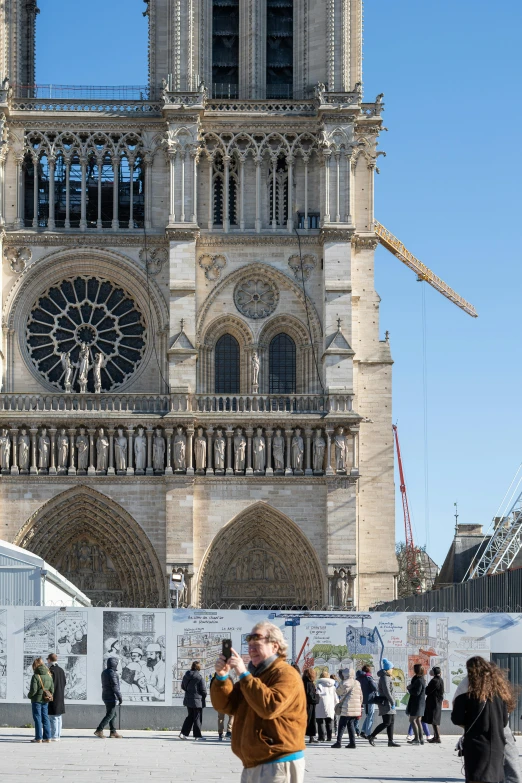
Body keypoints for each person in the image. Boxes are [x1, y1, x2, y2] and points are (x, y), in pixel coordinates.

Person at [210, 621, 307, 783]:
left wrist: (243, 673)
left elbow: (269, 707)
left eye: (257, 644)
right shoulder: (256, 675)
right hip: (255, 763)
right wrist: (221, 677)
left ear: (275, 646)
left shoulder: (285, 674)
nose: (251, 649)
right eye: (249, 645)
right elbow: (226, 705)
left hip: (277, 762)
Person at [452, 657, 516, 783]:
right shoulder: (499, 694)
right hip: (497, 745)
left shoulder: (467, 694)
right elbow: (504, 721)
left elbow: (456, 718)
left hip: (476, 745)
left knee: (477, 778)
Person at [368, 658, 400, 747]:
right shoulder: (385, 678)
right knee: (387, 722)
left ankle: (390, 741)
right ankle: (372, 736)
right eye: (392, 668)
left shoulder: (387, 677)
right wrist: (392, 702)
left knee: (391, 722)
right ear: (388, 669)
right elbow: (386, 691)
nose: (393, 670)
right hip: (386, 703)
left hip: (389, 702)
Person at [331, 667, 363, 749]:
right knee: (350, 724)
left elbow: (338, 692)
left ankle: (338, 742)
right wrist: (359, 704)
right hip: (356, 707)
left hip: (347, 707)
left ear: (344, 674)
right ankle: (352, 743)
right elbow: (361, 696)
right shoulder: (357, 683)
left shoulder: (344, 683)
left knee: (342, 725)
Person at [27, 657, 54, 743]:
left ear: (35, 666)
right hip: (45, 700)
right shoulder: (49, 675)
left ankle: (38, 737)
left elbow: (33, 690)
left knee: (37, 718)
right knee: (45, 717)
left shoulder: (36, 676)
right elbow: (52, 690)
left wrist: (29, 696)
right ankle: (48, 737)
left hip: (36, 700)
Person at [94, 657, 123, 738]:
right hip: (111, 696)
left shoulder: (105, 672)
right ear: (115, 664)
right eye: (118, 663)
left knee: (113, 714)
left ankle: (113, 732)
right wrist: (119, 697)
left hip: (106, 695)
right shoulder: (112, 673)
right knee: (110, 714)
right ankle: (99, 730)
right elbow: (115, 686)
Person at [179, 661, 207, 741]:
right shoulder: (199, 677)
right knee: (197, 718)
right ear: (198, 667)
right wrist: (203, 697)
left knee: (190, 717)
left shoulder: (186, 676)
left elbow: (183, 686)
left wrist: (189, 692)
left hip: (188, 700)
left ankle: (183, 734)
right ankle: (197, 736)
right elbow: (203, 690)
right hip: (198, 701)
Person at [47, 653, 66, 741]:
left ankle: (54, 735)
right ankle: (58, 734)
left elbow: (49, 684)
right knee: (58, 716)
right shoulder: (61, 670)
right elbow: (64, 682)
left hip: (53, 695)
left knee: (53, 716)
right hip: (60, 695)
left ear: (49, 660)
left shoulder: (50, 670)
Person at [211, 672, 234, 740]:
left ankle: (220, 733)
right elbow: (233, 688)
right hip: (228, 700)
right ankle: (229, 731)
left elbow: (211, 689)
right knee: (231, 715)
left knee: (221, 717)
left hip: (219, 701)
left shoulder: (214, 679)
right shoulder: (229, 678)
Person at [407, 664, 426, 745]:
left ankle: (417, 738)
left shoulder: (419, 680)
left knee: (412, 720)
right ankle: (421, 739)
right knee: (418, 720)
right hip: (419, 702)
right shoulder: (419, 679)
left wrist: (409, 689)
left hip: (417, 703)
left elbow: (417, 692)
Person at [316, 668, 337, 742]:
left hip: (320, 705)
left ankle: (321, 737)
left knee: (320, 721)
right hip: (330, 705)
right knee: (329, 722)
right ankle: (329, 737)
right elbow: (335, 698)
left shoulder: (319, 685)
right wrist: (336, 705)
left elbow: (317, 695)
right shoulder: (333, 686)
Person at [356, 664, 377, 739]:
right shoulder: (368, 677)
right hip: (370, 699)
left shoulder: (359, 678)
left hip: (364, 699)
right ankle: (368, 733)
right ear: (369, 670)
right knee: (370, 716)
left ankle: (363, 731)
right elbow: (374, 687)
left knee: (368, 716)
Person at [424, 666, 444, 743]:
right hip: (437, 702)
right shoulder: (440, 680)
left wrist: (426, 687)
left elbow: (427, 691)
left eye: (432, 671)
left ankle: (437, 737)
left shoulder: (435, 681)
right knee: (434, 720)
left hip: (434, 702)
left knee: (434, 720)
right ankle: (436, 736)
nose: (430, 672)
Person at [302, 667, 319, 743]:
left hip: (304, 703)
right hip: (309, 704)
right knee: (310, 720)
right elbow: (310, 695)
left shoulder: (303, 682)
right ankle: (311, 737)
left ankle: (310, 737)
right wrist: (317, 697)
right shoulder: (308, 683)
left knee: (307, 720)